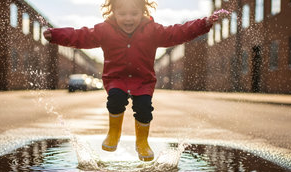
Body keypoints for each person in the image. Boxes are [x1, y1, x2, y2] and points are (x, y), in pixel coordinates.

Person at [44, 0, 221, 161]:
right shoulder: (105, 30)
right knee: (115, 100)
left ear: (143, 11)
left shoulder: (152, 30)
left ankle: (142, 142)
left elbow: (178, 32)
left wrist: (205, 23)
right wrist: (56, 35)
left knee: (144, 108)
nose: (128, 18)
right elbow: (80, 36)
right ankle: (114, 133)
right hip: (116, 79)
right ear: (112, 12)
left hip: (143, 81)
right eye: (122, 14)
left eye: (134, 13)